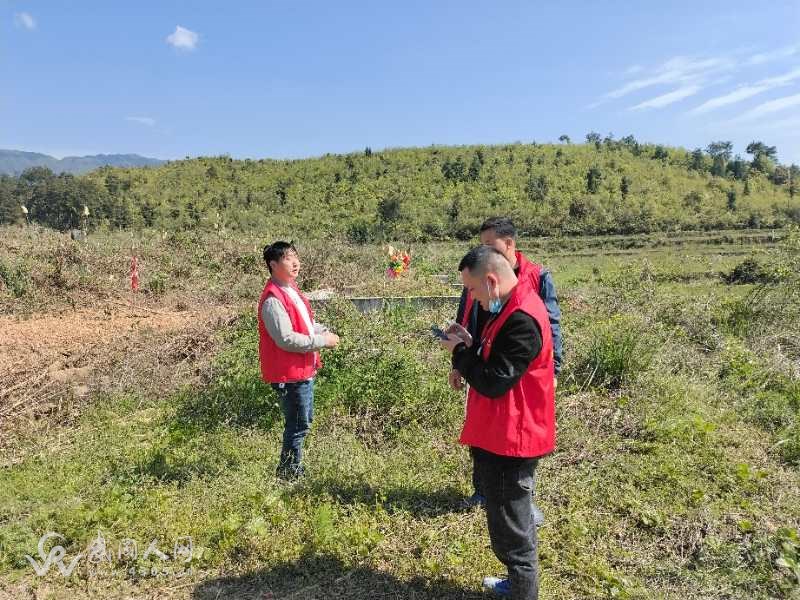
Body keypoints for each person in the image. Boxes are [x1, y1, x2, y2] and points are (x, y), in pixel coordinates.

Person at [440, 245, 555, 600]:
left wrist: (459, 352)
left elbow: (493, 380)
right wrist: (470, 347)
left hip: (513, 438)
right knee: (505, 516)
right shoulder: (507, 306)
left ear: (490, 281)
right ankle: (516, 583)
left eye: (472, 290)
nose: (471, 298)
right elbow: (496, 361)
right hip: (500, 432)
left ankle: (522, 591)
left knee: (512, 525)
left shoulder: (521, 317)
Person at [451, 217, 562, 517]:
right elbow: (466, 317)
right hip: (483, 364)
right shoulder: (478, 276)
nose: (484, 250)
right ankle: (485, 492)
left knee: (516, 446)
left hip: (512, 376)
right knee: (487, 433)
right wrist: (460, 357)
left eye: (490, 245)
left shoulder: (534, 279)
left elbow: (550, 327)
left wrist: (555, 369)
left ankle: (520, 504)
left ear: (509, 244)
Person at [257, 241, 339, 480]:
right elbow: (285, 339)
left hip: (301, 370)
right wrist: (321, 341)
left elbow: (302, 323)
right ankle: (290, 473)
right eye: (287, 259)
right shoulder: (273, 299)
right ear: (273, 265)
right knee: (297, 425)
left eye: (295, 257)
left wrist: (322, 331)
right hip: (289, 374)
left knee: (302, 422)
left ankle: (290, 469)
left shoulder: (290, 290)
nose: (295, 263)